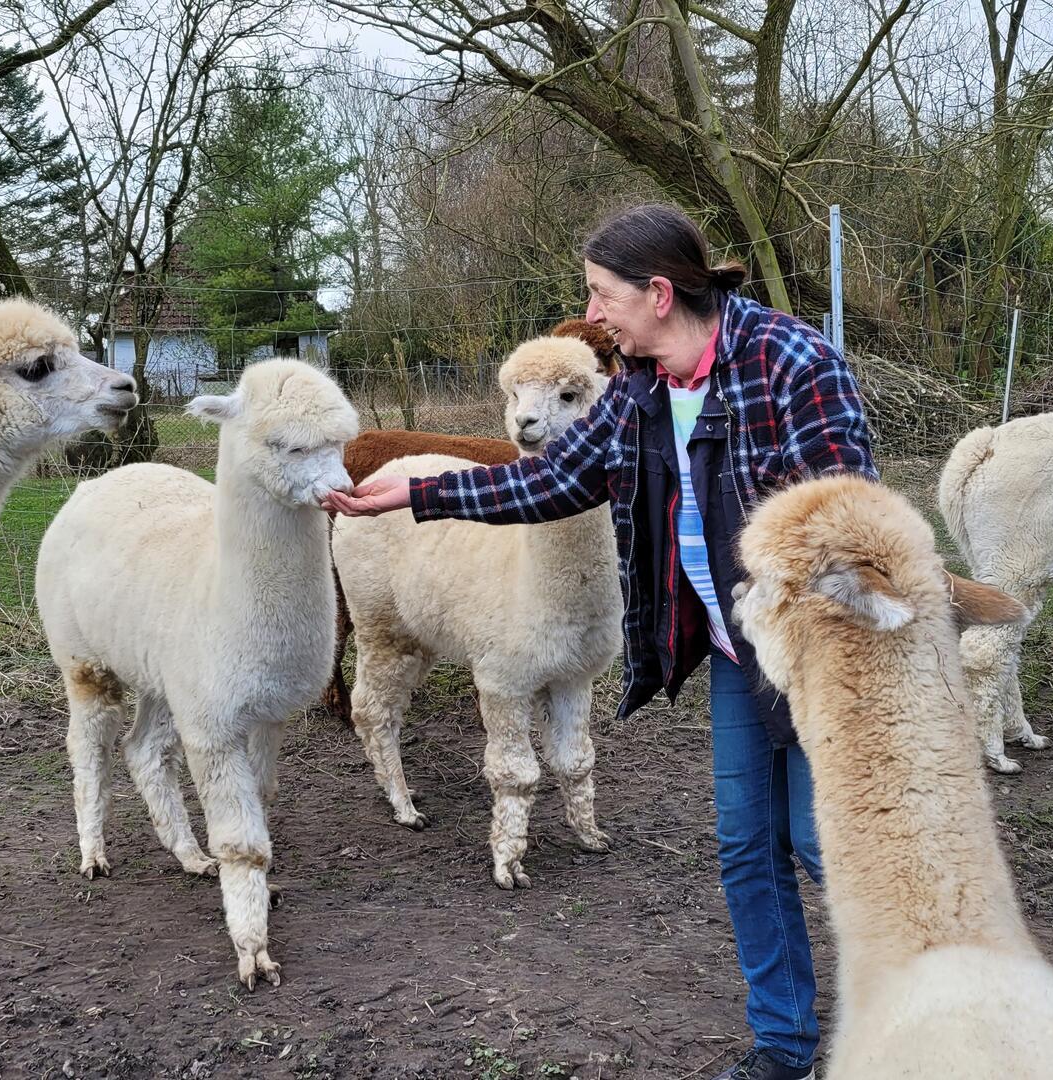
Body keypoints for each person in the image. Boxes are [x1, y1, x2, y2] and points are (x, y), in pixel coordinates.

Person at [326, 202, 876, 1080]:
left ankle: (924, 1023)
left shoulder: (791, 364)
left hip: (821, 654)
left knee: (831, 846)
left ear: (657, 294)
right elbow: (553, 483)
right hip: (740, 656)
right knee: (745, 848)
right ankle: (784, 1044)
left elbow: (852, 519)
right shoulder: (644, 392)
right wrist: (411, 498)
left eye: (601, 295)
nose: (594, 313)